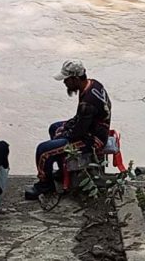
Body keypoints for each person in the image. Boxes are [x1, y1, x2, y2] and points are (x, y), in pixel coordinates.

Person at [25, 60, 112, 199]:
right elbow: (81, 119)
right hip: (92, 127)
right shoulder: (93, 84)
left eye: (66, 80)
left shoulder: (87, 103)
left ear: (75, 79)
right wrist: (65, 128)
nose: (64, 83)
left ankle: (45, 184)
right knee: (54, 127)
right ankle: (62, 168)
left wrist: (64, 134)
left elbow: (78, 133)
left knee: (43, 150)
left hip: (93, 139)